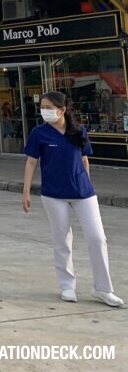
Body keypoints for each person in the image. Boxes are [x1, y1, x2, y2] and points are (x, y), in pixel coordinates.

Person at [21, 91, 123, 307]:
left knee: (97, 238)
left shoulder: (78, 130)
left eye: (49, 107)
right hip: (54, 194)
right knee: (62, 240)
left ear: (62, 109)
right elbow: (31, 163)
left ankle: (103, 290)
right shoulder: (39, 133)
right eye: (42, 107)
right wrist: (26, 192)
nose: (44, 111)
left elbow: (84, 159)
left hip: (83, 193)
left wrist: (86, 182)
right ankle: (67, 286)